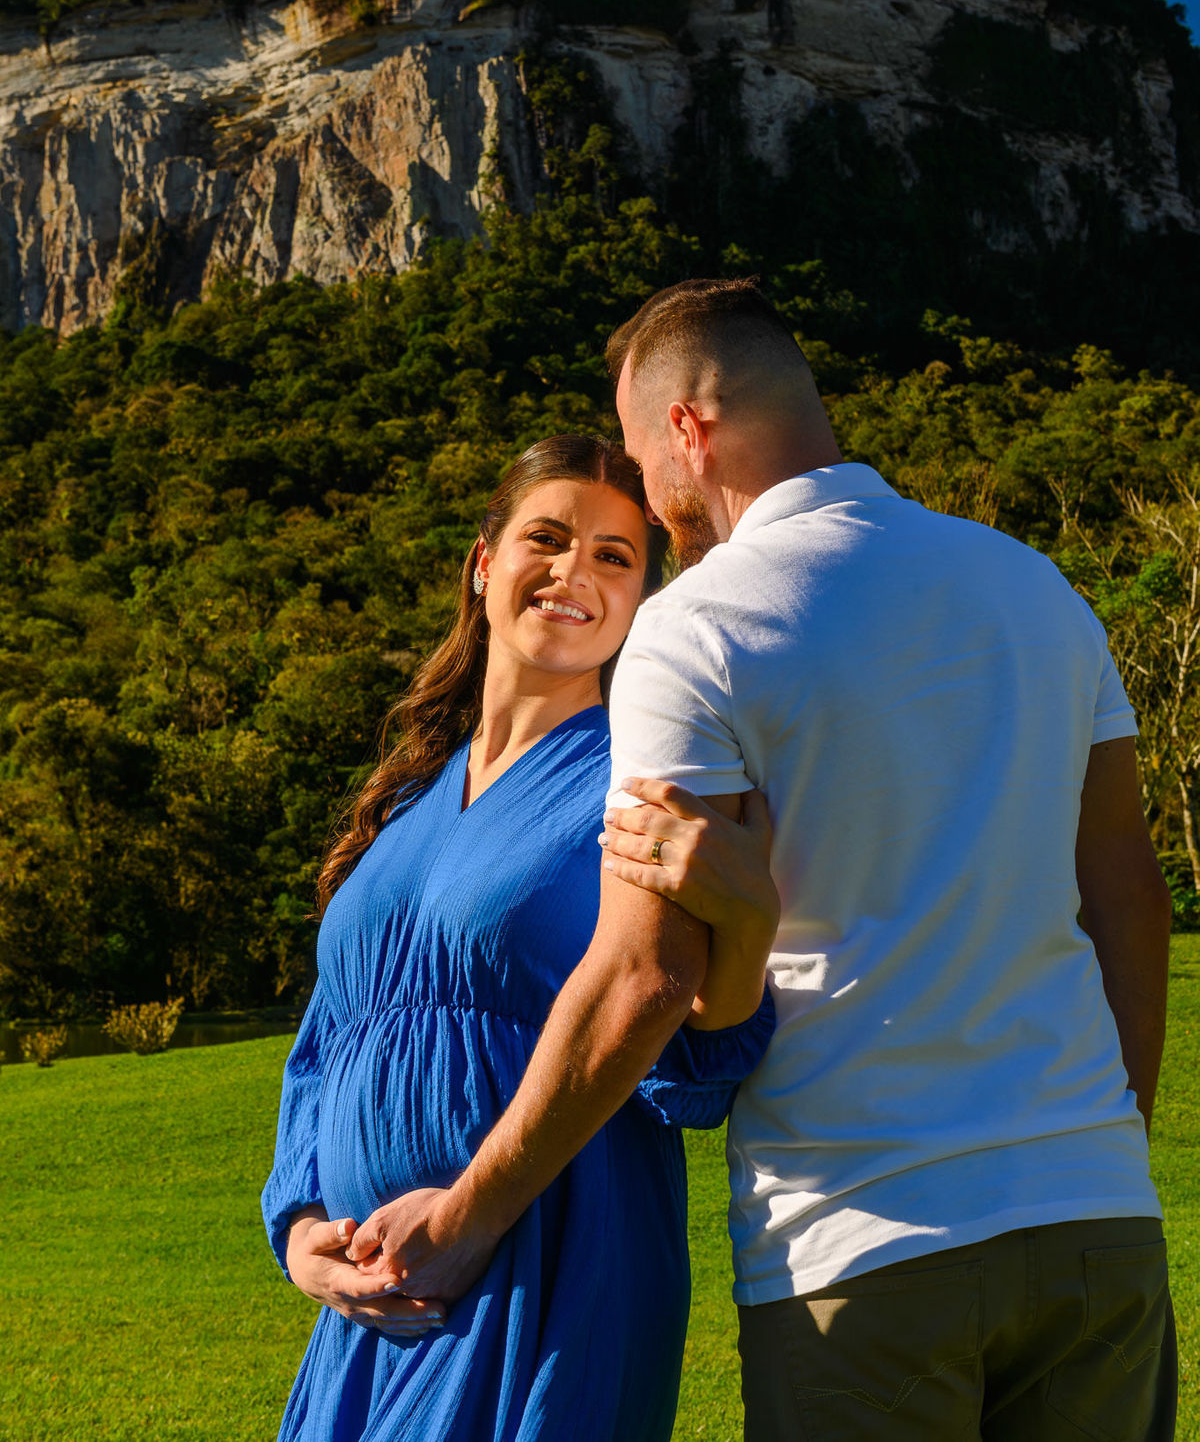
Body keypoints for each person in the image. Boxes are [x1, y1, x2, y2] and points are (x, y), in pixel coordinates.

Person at [351, 280, 1176, 1441]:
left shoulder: (702, 627)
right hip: (1095, 1225)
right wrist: (1105, 1152)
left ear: (686, 427)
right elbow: (1131, 903)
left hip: (863, 1239)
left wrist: (471, 1215)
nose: (649, 494)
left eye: (641, 456)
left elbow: (646, 975)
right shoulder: (1034, 588)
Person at [261, 433, 777, 1442]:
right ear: (485, 560)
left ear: (641, 600)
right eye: (547, 537)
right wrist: (299, 1232)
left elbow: (692, 1049)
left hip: (546, 1264)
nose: (574, 571)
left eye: (615, 557)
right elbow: (324, 1046)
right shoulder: (404, 800)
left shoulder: (643, 772)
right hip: (374, 1293)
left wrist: (466, 1220)